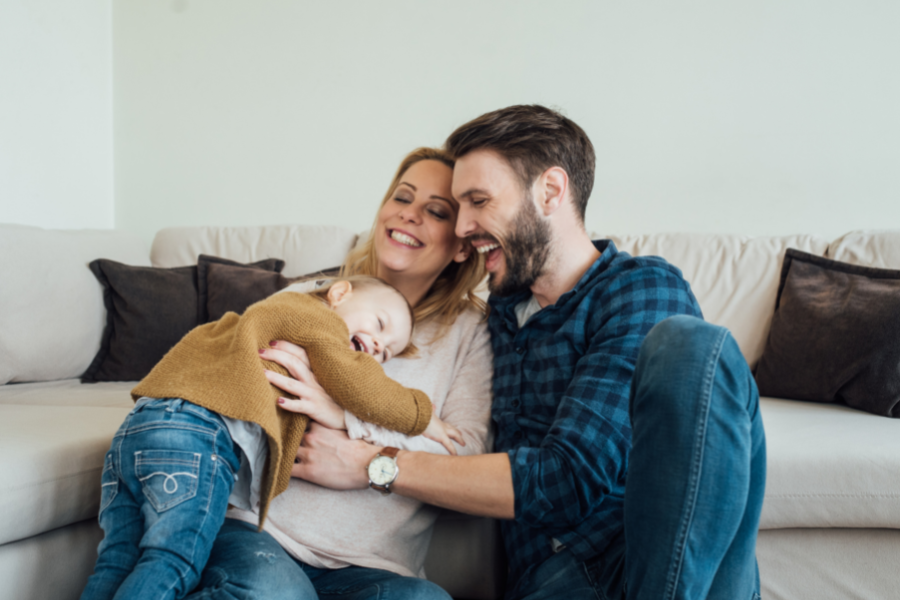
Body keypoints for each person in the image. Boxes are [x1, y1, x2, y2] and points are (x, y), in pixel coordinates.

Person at [291, 106, 767, 600]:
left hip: (643, 554)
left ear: (550, 191)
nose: (462, 227)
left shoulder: (639, 289)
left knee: (690, 346)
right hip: (549, 581)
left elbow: (568, 480)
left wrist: (372, 463)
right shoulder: (493, 316)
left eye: (478, 201)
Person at [183, 147, 493, 600]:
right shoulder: (317, 293)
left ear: (463, 242)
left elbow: (467, 452)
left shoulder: (470, 333)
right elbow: (233, 378)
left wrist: (346, 420)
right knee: (275, 593)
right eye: (402, 198)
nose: (409, 216)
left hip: (374, 566)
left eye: (435, 211)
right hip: (259, 531)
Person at [81, 275, 463, 600]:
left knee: (118, 560)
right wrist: (423, 417)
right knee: (173, 560)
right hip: (197, 437)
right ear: (340, 294)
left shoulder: (279, 317)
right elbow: (360, 384)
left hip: (142, 427)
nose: (378, 348)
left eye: (388, 352)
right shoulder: (315, 319)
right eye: (379, 325)